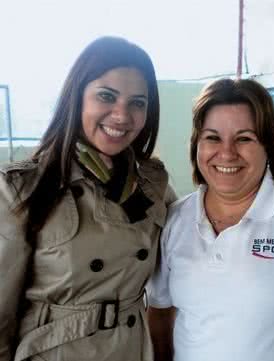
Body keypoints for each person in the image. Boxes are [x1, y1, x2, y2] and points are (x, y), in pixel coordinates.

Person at [0, 36, 176, 361]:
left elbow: (186, 250)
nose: (122, 115)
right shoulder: (22, 188)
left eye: (138, 102)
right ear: (76, 97)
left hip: (131, 349)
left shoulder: (152, 183)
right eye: (107, 96)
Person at [148, 78, 274, 361]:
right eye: (212, 138)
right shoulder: (176, 219)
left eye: (244, 138)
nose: (226, 152)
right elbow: (160, 313)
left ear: (269, 145)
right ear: (197, 146)